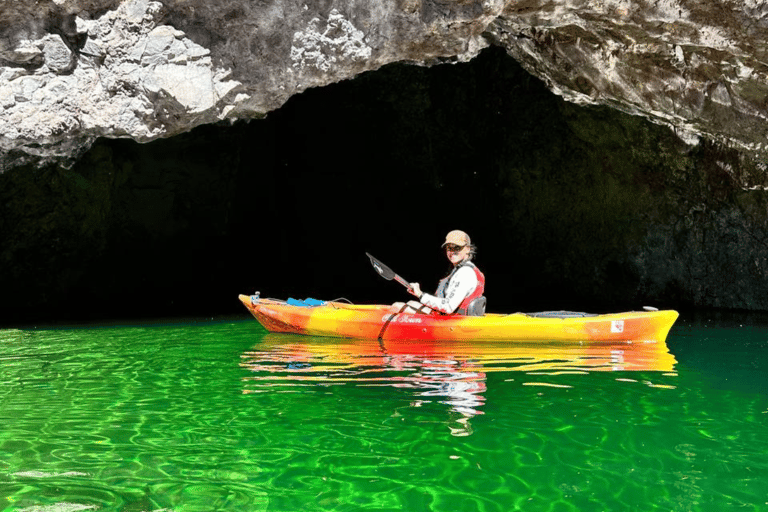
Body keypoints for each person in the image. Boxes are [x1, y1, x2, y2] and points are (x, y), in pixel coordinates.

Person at [392, 230, 486, 316]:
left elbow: (448, 307)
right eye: (449, 248)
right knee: (410, 303)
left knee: (396, 306)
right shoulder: (464, 269)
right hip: (451, 317)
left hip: (453, 322)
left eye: (457, 247)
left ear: (468, 249)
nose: (452, 252)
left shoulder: (465, 273)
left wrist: (420, 294)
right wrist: (419, 294)